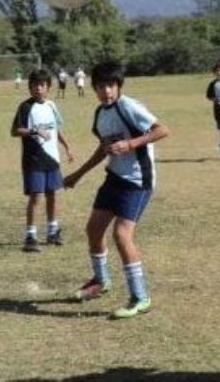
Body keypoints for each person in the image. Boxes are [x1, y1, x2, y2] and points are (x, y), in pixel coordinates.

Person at [64, 61, 169, 319]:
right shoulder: (101, 114)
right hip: (115, 178)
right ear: (95, 89)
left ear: (118, 86)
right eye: (101, 86)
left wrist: (132, 143)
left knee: (121, 235)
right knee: (93, 229)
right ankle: (101, 281)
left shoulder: (128, 107)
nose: (106, 91)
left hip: (137, 181)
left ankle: (140, 297)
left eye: (111, 85)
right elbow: (103, 148)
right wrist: (78, 174)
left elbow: (162, 130)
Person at [11, 69, 74, 252]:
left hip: (52, 159)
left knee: (53, 194)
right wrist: (34, 131)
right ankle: (30, 236)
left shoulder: (51, 106)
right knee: (36, 197)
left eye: (42, 85)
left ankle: (52, 231)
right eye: (34, 85)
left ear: (48, 87)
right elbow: (15, 130)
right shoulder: (25, 107)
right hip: (34, 160)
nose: (38, 89)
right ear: (29, 88)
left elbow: (56, 129)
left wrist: (67, 146)